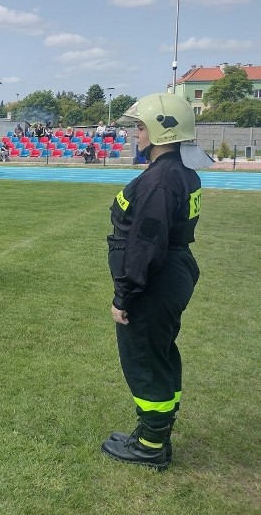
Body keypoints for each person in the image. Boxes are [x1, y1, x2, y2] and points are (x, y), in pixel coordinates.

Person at [101, 92, 213, 470]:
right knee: (161, 353)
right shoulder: (179, 172)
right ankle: (155, 433)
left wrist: (124, 295)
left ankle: (150, 446)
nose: (135, 134)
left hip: (153, 282)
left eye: (140, 126)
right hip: (170, 274)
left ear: (161, 130)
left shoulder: (161, 180)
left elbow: (146, 245)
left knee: (145, 359)